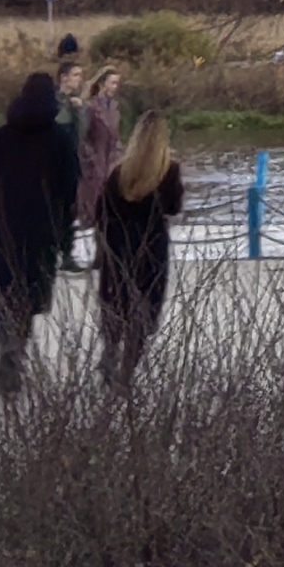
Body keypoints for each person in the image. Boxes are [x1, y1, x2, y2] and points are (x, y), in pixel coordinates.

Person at [0, 72, 82, 398]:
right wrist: (64, 238)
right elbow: (69, 191)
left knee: (1, 296)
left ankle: (7, 350)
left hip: (3, 230)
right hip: (40, 235)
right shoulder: (60, 139)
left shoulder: (5, 136)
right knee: (27, 300)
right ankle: (15, 351)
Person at [94, 110, 189, 388]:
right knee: (145, 309)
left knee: (115, 303)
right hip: (151, 247)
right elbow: (173, 207)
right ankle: (127, 372)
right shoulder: (169, 171)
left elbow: (101, 213)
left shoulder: (119, 173)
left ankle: (110, 352)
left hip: (118, 247)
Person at [75, 68, 126, 252]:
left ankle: (107, 251)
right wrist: (91, 159)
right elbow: (82, 138)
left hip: (112, 162)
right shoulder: (90, 107)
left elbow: (116, 136)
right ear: (103, 83)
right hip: (94, 165)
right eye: (112, 82)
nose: (115, 87)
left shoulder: (115, 107)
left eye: (117, 83)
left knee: (112, 210)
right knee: (93, 209)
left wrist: (122, 155)